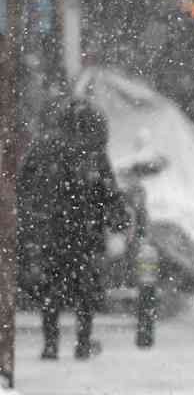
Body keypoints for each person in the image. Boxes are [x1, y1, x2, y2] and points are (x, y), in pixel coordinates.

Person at [18, 99, 128, 360]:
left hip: (51, 231)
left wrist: (30, 221)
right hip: (85, 233)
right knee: (85, 291)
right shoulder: (93, 152)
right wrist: (118, 220)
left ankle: (50, 344)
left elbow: (23, 185)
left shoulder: (43, 147)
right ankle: (82, 343)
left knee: (50, 289)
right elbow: (108, 192)